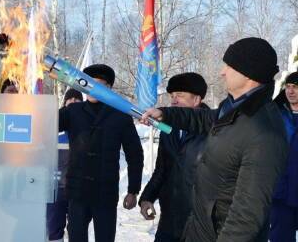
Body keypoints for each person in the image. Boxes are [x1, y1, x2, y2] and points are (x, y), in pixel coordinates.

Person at [141, 37, 288, 242]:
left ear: (249, 73)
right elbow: (204, 118)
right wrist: (165, 114)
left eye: (229, 66)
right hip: (199, 229)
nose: (222, 72)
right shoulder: (234, 108)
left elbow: (247, 215)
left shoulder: (264, 131)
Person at [59, 64, 144, 242]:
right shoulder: (73, 111)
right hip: (78, 192)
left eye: (98, 84)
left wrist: (133, 190)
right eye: (88, 83)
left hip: (104, 193)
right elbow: (46, 122)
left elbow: (134, 154)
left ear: (109, 88)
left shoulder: (121, 115)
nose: (92, 88)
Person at [139, 72, 209, 242]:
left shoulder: (213, 130)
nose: (174, 100)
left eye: (180, 95)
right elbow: (162, 168)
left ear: (197, 99)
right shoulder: (168, 129)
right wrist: (147, 197)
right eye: (172, 95)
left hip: (199, 222)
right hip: (169, 219)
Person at [47, 89, 83, 242]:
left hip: (78, 186)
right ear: (65, 102)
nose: (74, 102)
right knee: (54, 228)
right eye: (71, 99)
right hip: (56, 187)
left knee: (77, 228)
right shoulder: (54, 124)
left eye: (77, 99)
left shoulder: (86, 125)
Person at [270, 71, 298, 242]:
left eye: (295, 87)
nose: (290, 91)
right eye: (288, 87)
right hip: (282, 191)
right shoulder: (275, 114)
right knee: (281, 237)